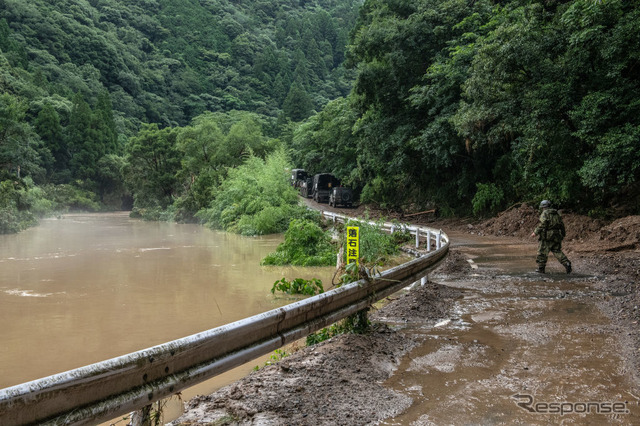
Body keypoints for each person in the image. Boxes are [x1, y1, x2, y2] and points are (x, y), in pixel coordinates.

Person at [530, 200, 572, 274]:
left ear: (543, 207)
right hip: (556, 235)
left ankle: (541, 269)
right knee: (557, 250)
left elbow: (543, 224)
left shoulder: (545, 213)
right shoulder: (556, 213)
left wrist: (535, 232)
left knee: (542, 252)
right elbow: (562, 225)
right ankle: (567, 263)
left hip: (547, 236)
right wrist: (563, 234)